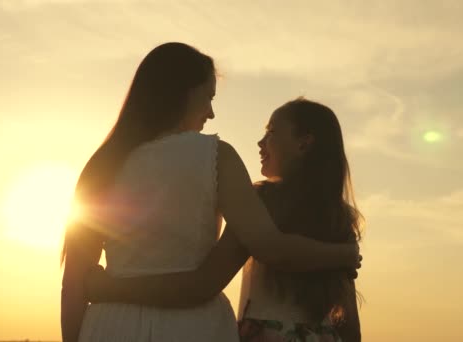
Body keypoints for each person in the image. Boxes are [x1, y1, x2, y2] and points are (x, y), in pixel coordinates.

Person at [60, 42, 360, 342]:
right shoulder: (216, 157)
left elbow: (73, 284)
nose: (212, 112)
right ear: (182, 92)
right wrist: (344, 254)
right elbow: (269, 247)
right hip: (189, 328)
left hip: (110, 327)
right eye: (208, 97)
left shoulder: (103, 164)